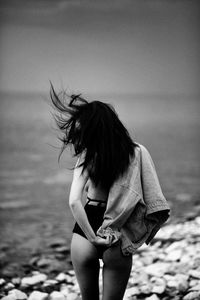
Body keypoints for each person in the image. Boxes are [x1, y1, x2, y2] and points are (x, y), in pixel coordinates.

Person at [50, 84, 170, 300]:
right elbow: (147, 195)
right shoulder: (135, 153)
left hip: (85, 232)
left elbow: (74, 202)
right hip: (118, 230)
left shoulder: (87, 158)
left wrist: (92, 238)